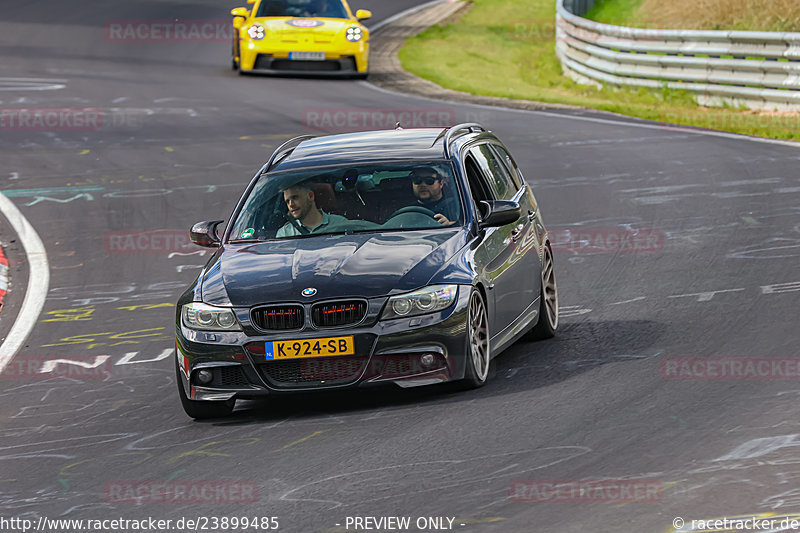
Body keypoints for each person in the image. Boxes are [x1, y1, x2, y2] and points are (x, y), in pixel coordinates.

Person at [276, 182, 348, 237]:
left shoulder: (341, 224)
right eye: (287, 201)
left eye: (295, 198)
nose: (291, 204)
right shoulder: (284, 234)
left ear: (310, 196)